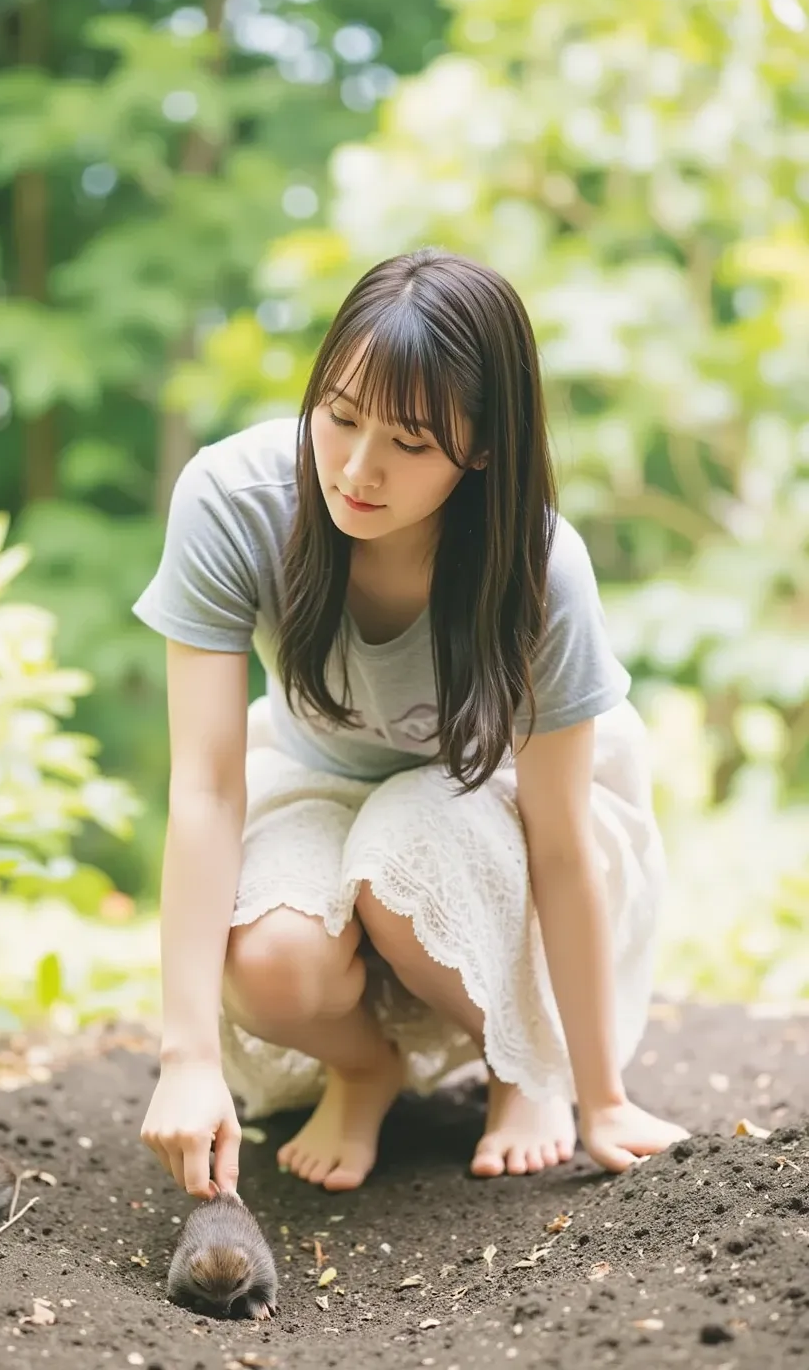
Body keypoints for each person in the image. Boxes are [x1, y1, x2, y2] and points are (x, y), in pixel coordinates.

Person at [133, 247, 689, 1200]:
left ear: (480, 447)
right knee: (272, 965)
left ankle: (521, 1066)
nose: (357, 468)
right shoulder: (234, 501)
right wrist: (186, 1056)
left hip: (495, 801)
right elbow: (207, 787)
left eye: (411, 443)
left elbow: (559, 843)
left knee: (402, 855)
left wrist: (596, 1093)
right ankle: (365, 1068)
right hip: (314, 777)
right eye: (340, 416)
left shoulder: (538, 570)